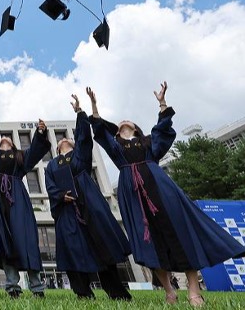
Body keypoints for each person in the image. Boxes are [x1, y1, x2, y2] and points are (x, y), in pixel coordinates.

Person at [87, 83, 245, 307]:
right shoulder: (116, 148)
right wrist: (94, 106)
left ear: (136, 128)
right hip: (133, 196)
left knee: (181, 234)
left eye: (128, 121)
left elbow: (163, 129)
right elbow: (100, 132)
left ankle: (193, 289)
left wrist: (162, 103)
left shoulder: (148, 142)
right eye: (120, 123)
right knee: (148, 243)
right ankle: (169, 290)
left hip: (161, 190)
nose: (123, 121)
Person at [45, 93, 132, 300]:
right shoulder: (51, 165)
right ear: (57, 149)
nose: (63, 139)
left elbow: (84, 136)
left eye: (67, 138)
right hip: (66, 211)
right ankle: (83, 293)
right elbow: (49, 186)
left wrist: (80, 112)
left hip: (89, 206)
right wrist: (60, 195)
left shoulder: (80, 155)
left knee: (100, 246)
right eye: (61, 140)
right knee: (72, 249)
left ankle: (117, 293)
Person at [0, 96, 50, 298]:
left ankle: (37, 288)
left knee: (25, 239)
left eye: (7, 139)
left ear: (14, 145)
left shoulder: (21, 158)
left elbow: (35, 150)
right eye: (2, 139)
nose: (4, 139)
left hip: (17, 200)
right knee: (4, 241)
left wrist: (40, 132)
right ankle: (12, 288)